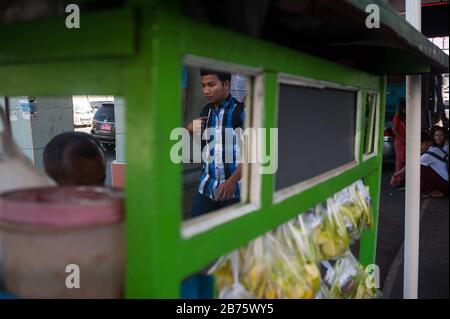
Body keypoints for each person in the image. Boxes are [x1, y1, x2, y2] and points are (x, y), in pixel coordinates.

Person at [183, 69, 245, 299]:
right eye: (203, 85)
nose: (206, 90)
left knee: (233, 249)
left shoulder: (241, 113)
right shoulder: (205, 113)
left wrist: (231, 181)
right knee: (193, 245)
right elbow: (204, 149)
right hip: (206, 189)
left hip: (234, 192)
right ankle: (193, 297)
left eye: (212, 84)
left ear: (227, 85)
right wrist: (189, 130)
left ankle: (231, 295)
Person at [420, 126, 448, 197]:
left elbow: (413, 164)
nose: (438, 137)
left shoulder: (445, 147)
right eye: (436, 135)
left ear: (428, 142)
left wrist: (396, 175)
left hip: (446, 185)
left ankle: (430, 190)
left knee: (421, 166)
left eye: (421, 144)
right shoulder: (435, 148)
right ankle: (433, 190)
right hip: (446, 182)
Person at [391, 100, 406, 188]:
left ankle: (402, 179)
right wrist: (402, 138)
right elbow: (394, 130)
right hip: (399, 141)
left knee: (404, 161)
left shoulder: (406, 116)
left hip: (405, 141)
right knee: (399, 161)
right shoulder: (397, 117)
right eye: (404, 109)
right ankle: (397, 179)